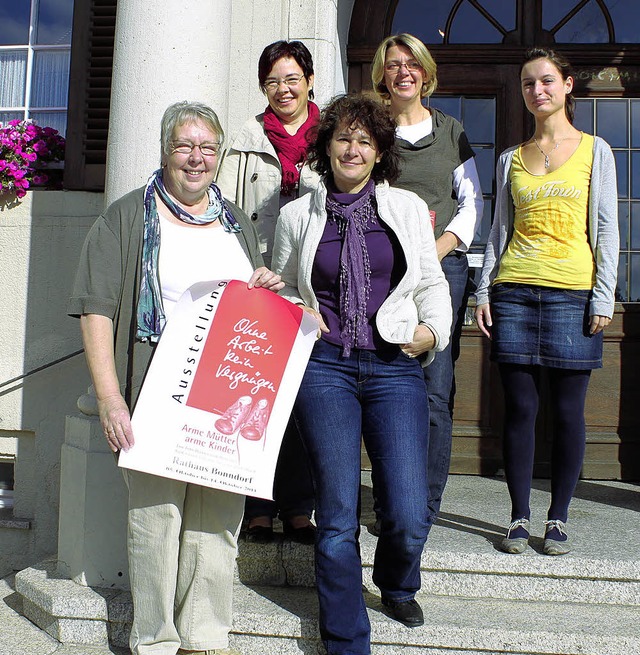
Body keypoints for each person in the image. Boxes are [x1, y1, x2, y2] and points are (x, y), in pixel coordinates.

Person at [68, 101, 284, 655]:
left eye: (208, 148)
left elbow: (244, 310)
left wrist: (265, 288)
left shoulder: (235, 220)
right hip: (154, 395)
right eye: (185, 146)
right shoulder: (123, 218)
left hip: (225, 398)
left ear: (220, 155)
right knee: (156, 522)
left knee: (217, 523)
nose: (196, 158)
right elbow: (97, 311)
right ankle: (157, 641)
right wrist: (110, 398)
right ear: (165, 152)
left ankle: (206, 638)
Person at [272, 93, 452, 654]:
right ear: (327, 147)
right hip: (325, 368)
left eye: (365, 140)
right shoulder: (297, 215)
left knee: (404, 505)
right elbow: (283, 285)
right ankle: (347, 640)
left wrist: (429, 336)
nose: (353, 148)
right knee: (338, 511)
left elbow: (430, 284)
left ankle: (397, 582)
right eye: (343, 138)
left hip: (394, 364)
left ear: (379, 153)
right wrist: (286, 300)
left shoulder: (403, 208)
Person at [475, 48, 618, 556]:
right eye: (529, 83)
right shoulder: (509, 159)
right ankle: (518, 516)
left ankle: (558, 516)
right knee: (519, 409)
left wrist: (604, 295)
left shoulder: (595, 150)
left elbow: (604, 227)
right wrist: (483, 289)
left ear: (568, 86)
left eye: (547, 81)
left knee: (567, 412)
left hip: (571, 294)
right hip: (514, 290)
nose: (538, 90)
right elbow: (499, 231)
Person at [371, 33, 484, 527]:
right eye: (393, 65)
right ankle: (389, 499)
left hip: (442, 269)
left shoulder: (452, 131)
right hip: (384, 271)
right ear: (382, 75)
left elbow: (473, 205)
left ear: (425, 72)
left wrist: (433, 254)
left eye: (411, 64)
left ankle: (424, 505)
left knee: (435, 388)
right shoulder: (372, 131)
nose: (403, 72)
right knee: (384, 383)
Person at [216, 40, 319, 544]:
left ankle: (299, 506)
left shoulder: (333, 135)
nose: (284, 88)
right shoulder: (243, 140)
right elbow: (229, 211)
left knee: (302, 398)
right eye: (274, 80)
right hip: (257, 280)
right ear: (263, 87)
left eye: (292, 78)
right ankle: (257, 505)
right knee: (255, 394)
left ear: (310, 81)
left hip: (313, 284)